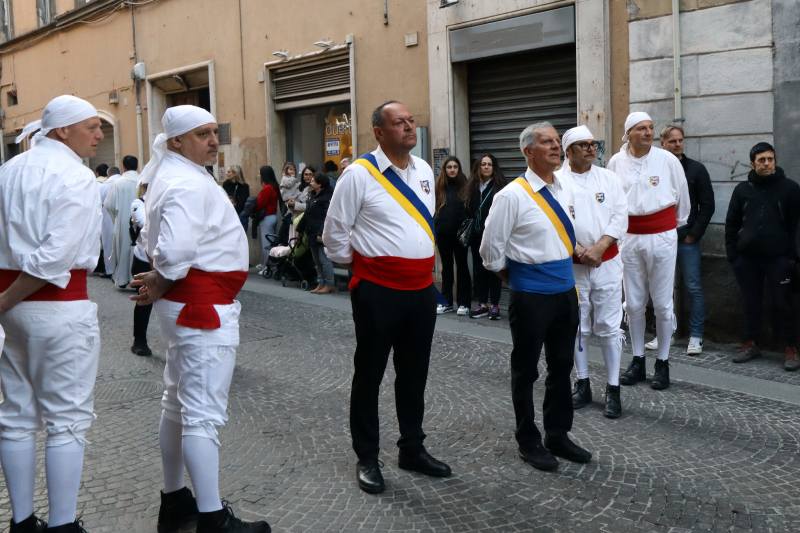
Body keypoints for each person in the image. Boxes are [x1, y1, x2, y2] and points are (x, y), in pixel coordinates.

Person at [131, 105, 270, 532]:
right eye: (202, 134)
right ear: (177, 140)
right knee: (201, 415)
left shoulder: (174, 175)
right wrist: (164, 276)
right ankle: (212, 517)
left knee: (177, 404)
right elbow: (173, 252)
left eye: (214, 132)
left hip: (191, 303)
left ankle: (175, 499)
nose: (213, 140)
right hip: (200, 305)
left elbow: (154, 241)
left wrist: (164, 277)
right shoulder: (185, 182)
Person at [323, 100, 452, 494]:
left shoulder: (425, 171)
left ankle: (412, 448)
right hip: (377, 292)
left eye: (411, 121)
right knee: (370, 374)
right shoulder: (358, 175)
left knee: (414, 373)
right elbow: (334, 236)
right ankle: (367, 456)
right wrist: (370, 268)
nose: (409, 127)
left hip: (421, 291)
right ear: (379, 132)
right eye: (399, 123)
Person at [0, 94, 104, 533]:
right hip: (56, 306)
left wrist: (6, 302)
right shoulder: (76, 176)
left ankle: (22, 522)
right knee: (66, 420)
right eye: (91, 126)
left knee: (16, 415)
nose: (99, 134)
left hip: (15, 308)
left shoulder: (9, 170)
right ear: (63, 130)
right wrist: (6, 300)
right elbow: (54, 257)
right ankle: (62, 525)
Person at [480, 121, 590, 472]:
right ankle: (528, 440)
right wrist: (518, 279)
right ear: (528, 151)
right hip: (531, 297)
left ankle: (558, 434)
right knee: (526, 370)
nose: (556, 147)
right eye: (547, 142)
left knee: (562, 365)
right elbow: (490, 251)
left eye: (557, 141)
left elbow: (565, 239)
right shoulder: (511, 196)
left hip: (565, 292)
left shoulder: (564, 188)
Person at [607, 112, 689, 391]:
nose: (648, 132)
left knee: (663, 303)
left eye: (651, 128)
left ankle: (663, 361)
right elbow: (613, 202)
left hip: (662, 236)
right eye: (641, 128)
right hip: (629, 238)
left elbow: (682, 200)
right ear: (628, 133)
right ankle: (638, 359)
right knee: (633, 303)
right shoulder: (616, 162)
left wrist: (668, 229)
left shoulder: (667, 160)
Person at [556, 126, 628, 419]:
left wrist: (599, 247)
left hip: (607, 263)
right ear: (568, 151)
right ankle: (582, 382)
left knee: (610, 326)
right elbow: (556, 220)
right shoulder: (557, 182)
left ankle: (613, 387)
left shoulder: (609, 179)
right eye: (583, 145)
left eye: (592, 144)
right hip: (574, 266)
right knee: (577, 325)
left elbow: (620, 216)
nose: (590, 148)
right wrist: (578, 249)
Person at [725, 142, 800, 371]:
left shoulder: (790, 189)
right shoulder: (742, 190)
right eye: (761, 160)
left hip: (779, 259)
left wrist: (793, 258)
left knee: (784, 304)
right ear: (753, 164)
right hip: (747, 259)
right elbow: (731, 223)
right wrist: (733, 255)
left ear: (775, 161)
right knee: (750, 302)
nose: (767, 164)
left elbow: (796, 226)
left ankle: (791, 348)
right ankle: (750, 343)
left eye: (770, 159)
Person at [654, 125, 716, 355]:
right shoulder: (656, 169)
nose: (678, 144)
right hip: (661, 237)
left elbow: (707, 205)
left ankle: (696, 335)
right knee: (662, 288)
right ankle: (665, 333)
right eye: (672, 141)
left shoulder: (696, 169)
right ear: (663, 143)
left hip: (686, 238)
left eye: (680, 140)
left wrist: (693, 234)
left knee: (693, 286)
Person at [467, 153, 506, 320]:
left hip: (494, 235)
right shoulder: (473, 186)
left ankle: (495, 305)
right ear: (479, 167)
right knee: (479, 270)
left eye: (489, 164)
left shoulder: (500, 186)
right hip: (477, 235)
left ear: (494, 167)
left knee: (494, 269)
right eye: (483, 164)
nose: (486, 167)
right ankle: (482, 304)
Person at [433, 156, 471, 316]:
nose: (452, 169)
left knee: (462, 267)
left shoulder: (466, 186)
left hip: (460, 235)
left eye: (455, 167)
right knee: (446, 268)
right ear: (445, 169)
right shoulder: (439, 186)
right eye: (449, 167)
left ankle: (464, 303)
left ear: (459, 169)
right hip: (443, 234)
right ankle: (446, 302)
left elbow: (470, 210)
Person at [103, 155, 139, 288]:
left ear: (123, 166)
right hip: (141, 221)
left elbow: (109, 204)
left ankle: (123, 279)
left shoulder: (118, 183)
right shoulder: (142, 181)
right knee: (139, 249)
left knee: (124, 248)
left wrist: (116, 217)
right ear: (137, 166)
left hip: (123, 220)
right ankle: (138, 278)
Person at [301, 173, 335, 294]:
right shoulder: (312, 195)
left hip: (320, 232)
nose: (311, 182)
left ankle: (329, 284)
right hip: (311, 231)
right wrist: (300, 228)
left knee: (323, 259)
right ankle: (321, 282)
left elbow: (327, 217)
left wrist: (321, 232)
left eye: (313, 181)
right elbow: (307, 213)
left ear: (320, 184)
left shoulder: (326, 198)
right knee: (316, 260)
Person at [129, 179, 153, 357]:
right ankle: (139, 340)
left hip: (166, 259)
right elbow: (145, 224)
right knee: (144, 299)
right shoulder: (138, 203)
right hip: (144, 258)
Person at [254, 165, 279, 273]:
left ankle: (267, 268)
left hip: (267, 218)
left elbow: (260, 204)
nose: (258, 175)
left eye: (260, 173)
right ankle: (266, 265)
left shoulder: (268, 188)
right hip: (272, 216)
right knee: (269, 242)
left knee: (266, 244)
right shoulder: (274, 186)